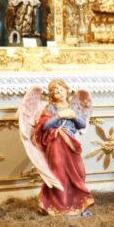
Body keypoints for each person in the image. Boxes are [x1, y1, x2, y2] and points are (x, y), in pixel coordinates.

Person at [32, 79, 94, 216]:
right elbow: (44, 125)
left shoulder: (73, 107)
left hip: (72, 144)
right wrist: (59, 115)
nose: (59, 92)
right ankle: (58, 205)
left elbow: (82, 124)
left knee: (78, 172)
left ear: (67, 90)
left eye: (61, 89)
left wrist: (74, 116)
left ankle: (76, 203)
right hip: (56, 144)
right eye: (55, 91)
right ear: (51, 95)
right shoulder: (50, 108)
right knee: (58, 172)